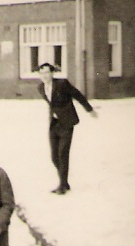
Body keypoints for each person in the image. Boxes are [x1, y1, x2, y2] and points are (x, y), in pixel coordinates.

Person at [36, 63, 98, 194]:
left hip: (67, 122)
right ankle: (64, 182)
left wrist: (89, 109)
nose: (44, 76)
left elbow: (77, 95)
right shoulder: (40, 88)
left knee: (62, 153)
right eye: (41, 73)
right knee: (54, 156)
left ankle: (62, 186)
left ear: (52, 73)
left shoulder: (62, 84)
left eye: (47, 73)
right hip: (54, 124)